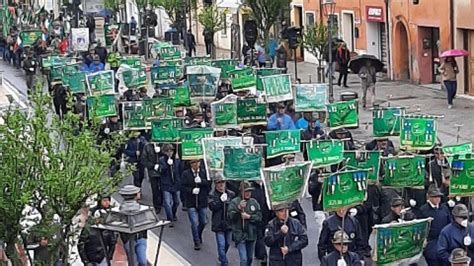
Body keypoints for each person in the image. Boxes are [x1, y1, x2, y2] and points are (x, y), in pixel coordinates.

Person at [228, 181, 262, 266]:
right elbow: (230, 217)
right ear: (241, 191)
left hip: (251, 235)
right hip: (240, 235)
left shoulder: (254, 202)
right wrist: (239, 209)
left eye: (249, 191)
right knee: (243, 259)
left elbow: (259, 217)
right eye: (246, 191)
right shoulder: (235, 202)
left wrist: (249, 217)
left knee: (250, 258)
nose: (248, 193)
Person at [418, 185, 452, 266]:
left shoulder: (444, 208)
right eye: (435, 197)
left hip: (444, 242)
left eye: (439, 197)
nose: (437, 199)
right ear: (429, 197)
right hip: (431, 243)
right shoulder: (423, 210)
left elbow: (449, 223)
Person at [78, 195, 116, 266]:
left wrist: (109, 257)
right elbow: (81, 244)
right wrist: (86, 261)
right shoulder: (88, 228)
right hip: (91, 258)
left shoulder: (107, 228)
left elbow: (112, 243)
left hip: (103, 259)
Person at [181, 159, 211, 250]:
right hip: (191, 202)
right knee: (194, 222)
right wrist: (191, 190)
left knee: (204, 221)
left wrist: (201, 181)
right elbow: (182, 187)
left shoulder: (204, 172)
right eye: (193, 162)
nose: (196, 164)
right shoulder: (186, 174)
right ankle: (196, 241)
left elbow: (209, 184)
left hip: (202, 201)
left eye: (197, 162)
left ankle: (198, 233)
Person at [208, 177, 235, 266]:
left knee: (227, 243)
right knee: (221, 245)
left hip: (228, 223)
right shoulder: (212, 195)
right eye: (219, 183)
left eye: (222, 183)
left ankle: (221, 256)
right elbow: (212, 207)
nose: (221, 185)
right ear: (215, 184)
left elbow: (233, 207)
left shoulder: (231, 194)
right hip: (218, 223)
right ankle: (224, 262)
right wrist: (220, 201)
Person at [159, 144, 183, 226]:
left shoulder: (177, 160)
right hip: (166, 184)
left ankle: (173, 213)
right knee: (167, 202)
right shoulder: (162, 160)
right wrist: (166, 166)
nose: (169, 153)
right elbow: (161, 171)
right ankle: (170, 218)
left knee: (176, 202)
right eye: (167, 151)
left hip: (175, 184)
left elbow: (180, 171)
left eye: (171, 151)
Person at [140, 142, 164, 214]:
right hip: (152, 172)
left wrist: (161, 152)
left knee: (162, 189)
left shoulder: (163, 144)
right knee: (155, 189)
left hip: (162, 171)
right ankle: (157, 206)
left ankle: (162, 202)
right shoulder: (147, 146)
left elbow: (168, 155)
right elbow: (143, 160)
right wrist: (152, 166)